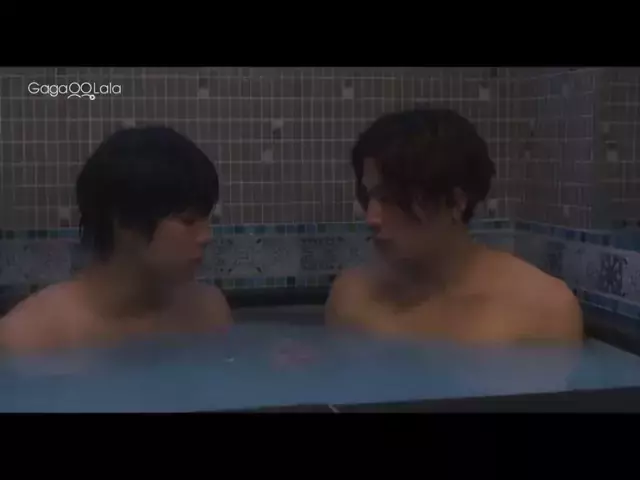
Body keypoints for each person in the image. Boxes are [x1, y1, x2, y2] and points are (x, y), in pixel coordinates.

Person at [326, 108, 583, 344]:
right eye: (369, 196)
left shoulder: (542, 310)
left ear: (456, 202)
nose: (372, 218)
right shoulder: (352, 299)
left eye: (391, 198)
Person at [0, 126, 232, 354]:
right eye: (188, 221)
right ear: (124, 222)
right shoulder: (30, 337)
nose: (207, 236)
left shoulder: (209, 313)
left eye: (206, 220)